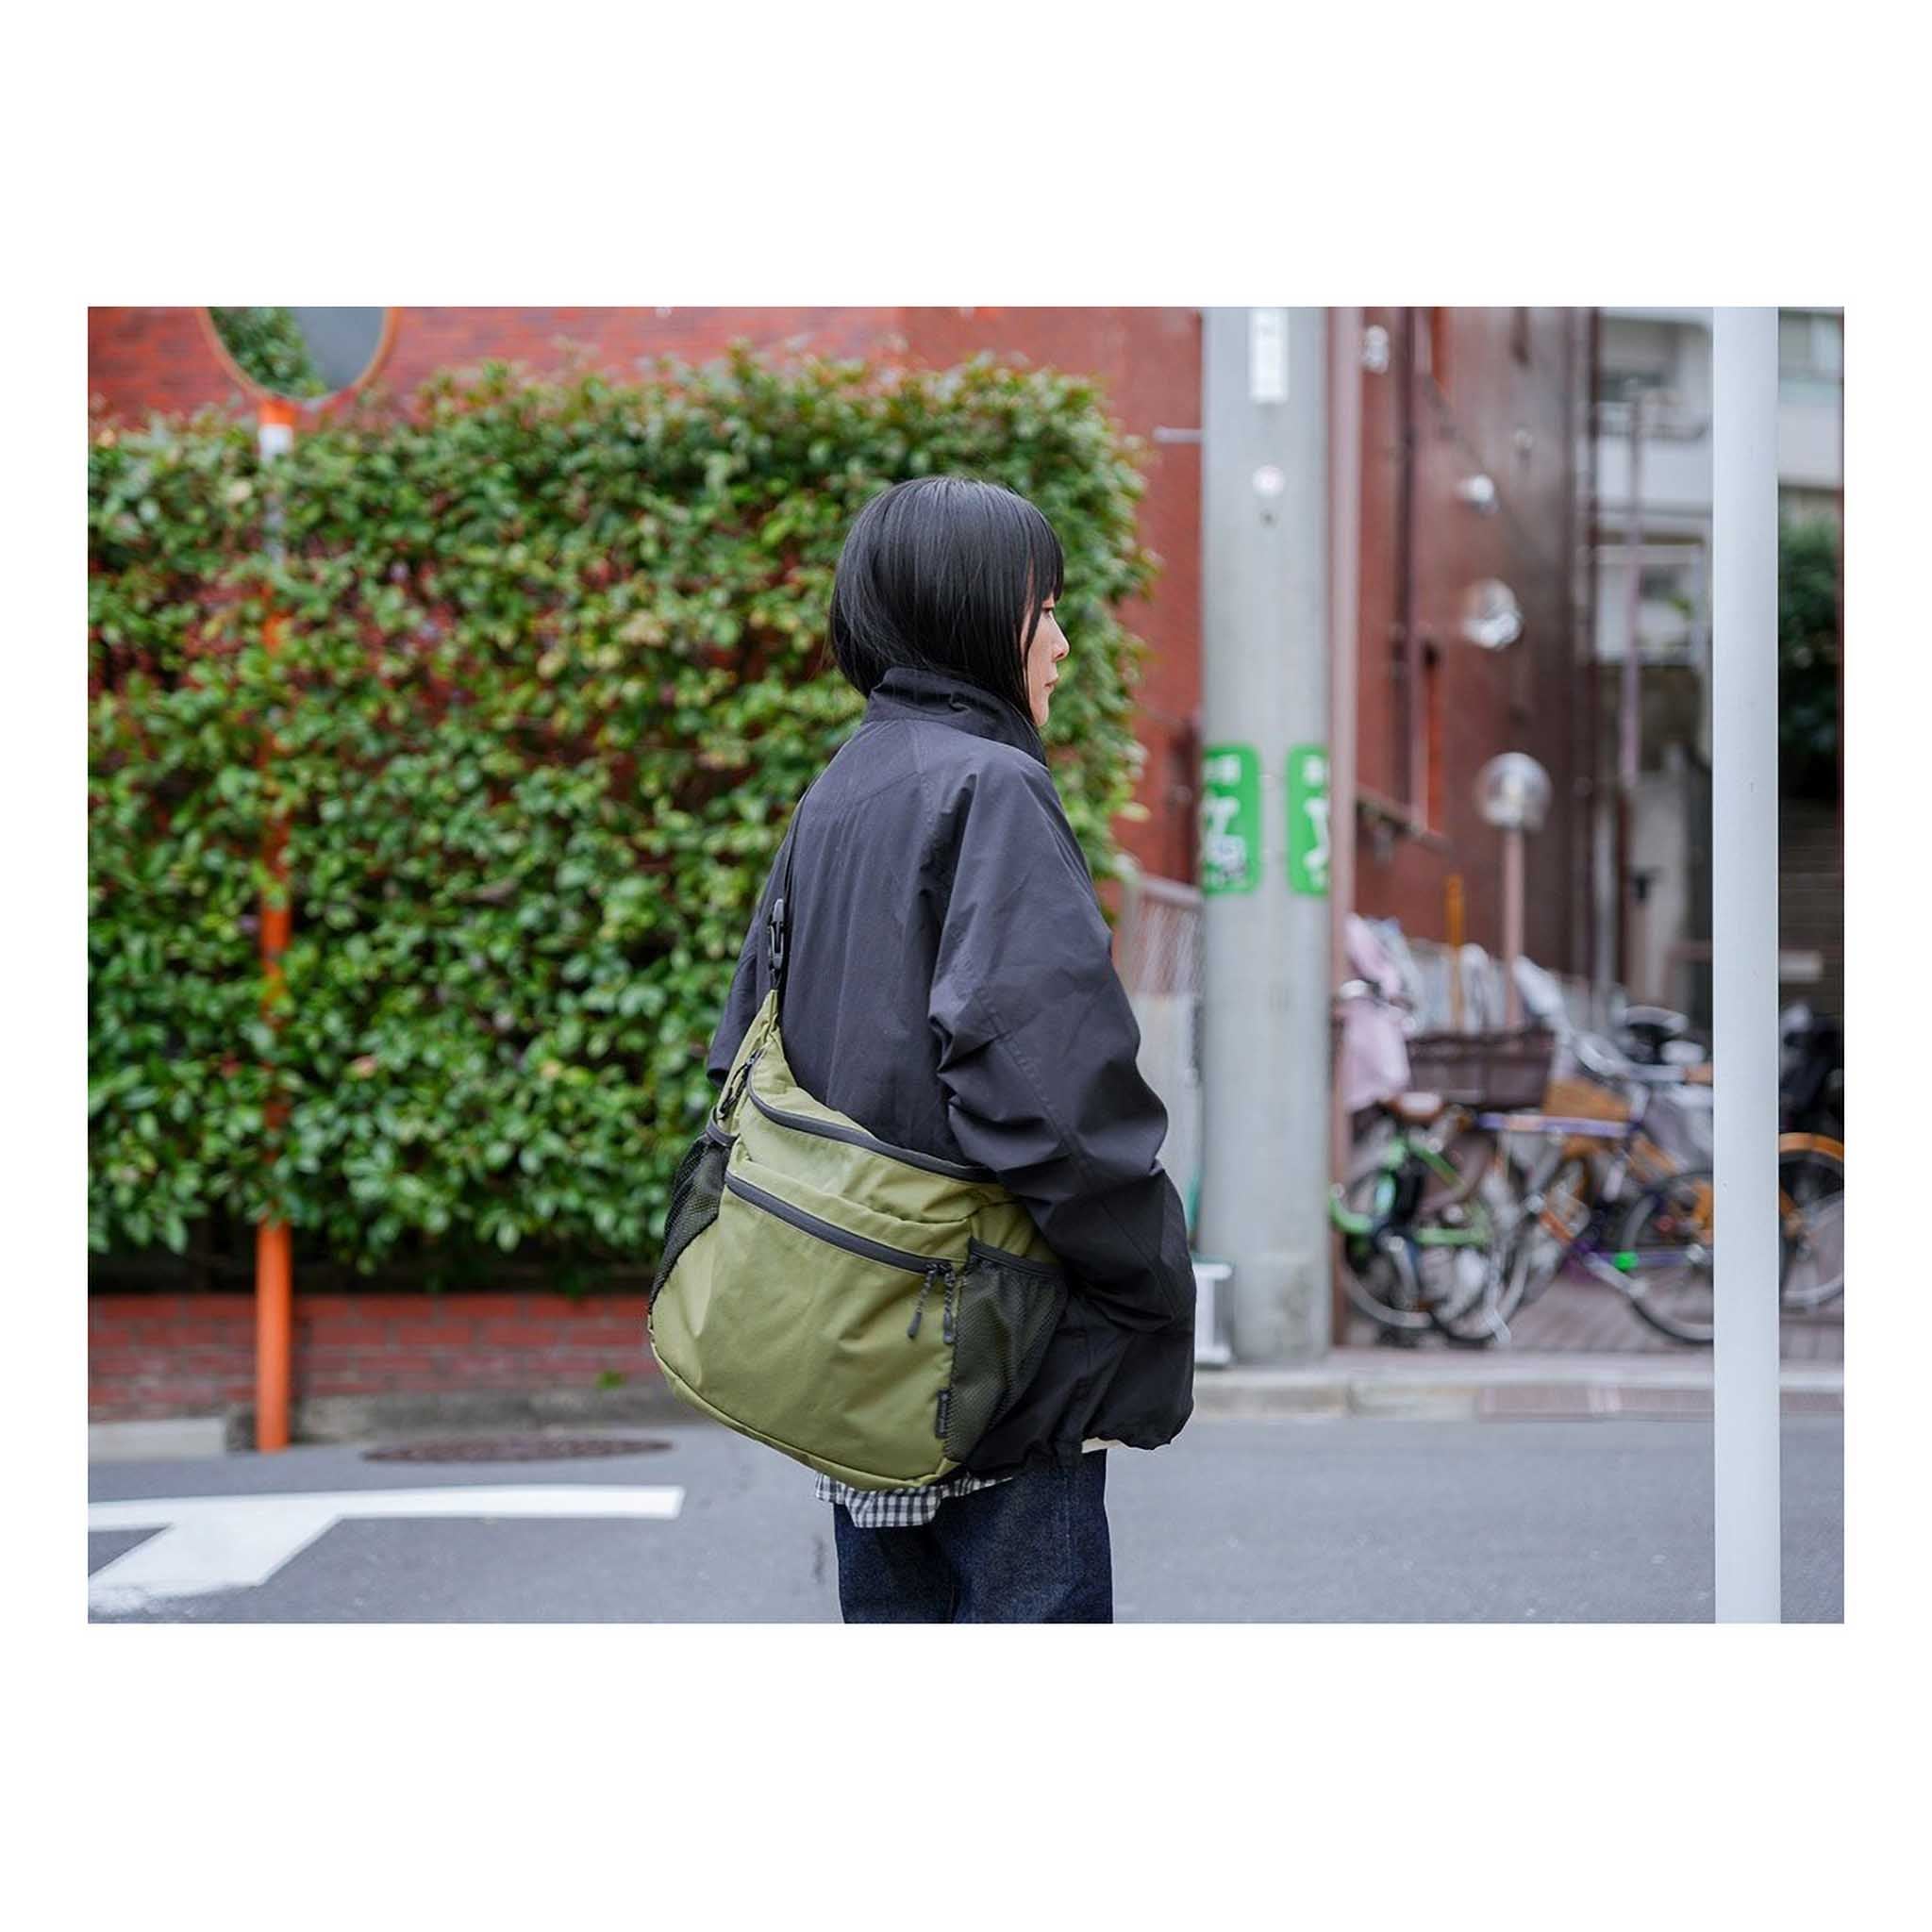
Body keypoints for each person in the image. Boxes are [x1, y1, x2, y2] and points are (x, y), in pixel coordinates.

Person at [704, 475, 1197, 1624]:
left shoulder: (837, 791)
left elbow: (742, 1050)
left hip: (853, 1342)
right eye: (1044, 610)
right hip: (990, 1346)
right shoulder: (991, 787)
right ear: (973, 614)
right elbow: (1048, 1092)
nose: (1061, 644)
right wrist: (1149, 1271)